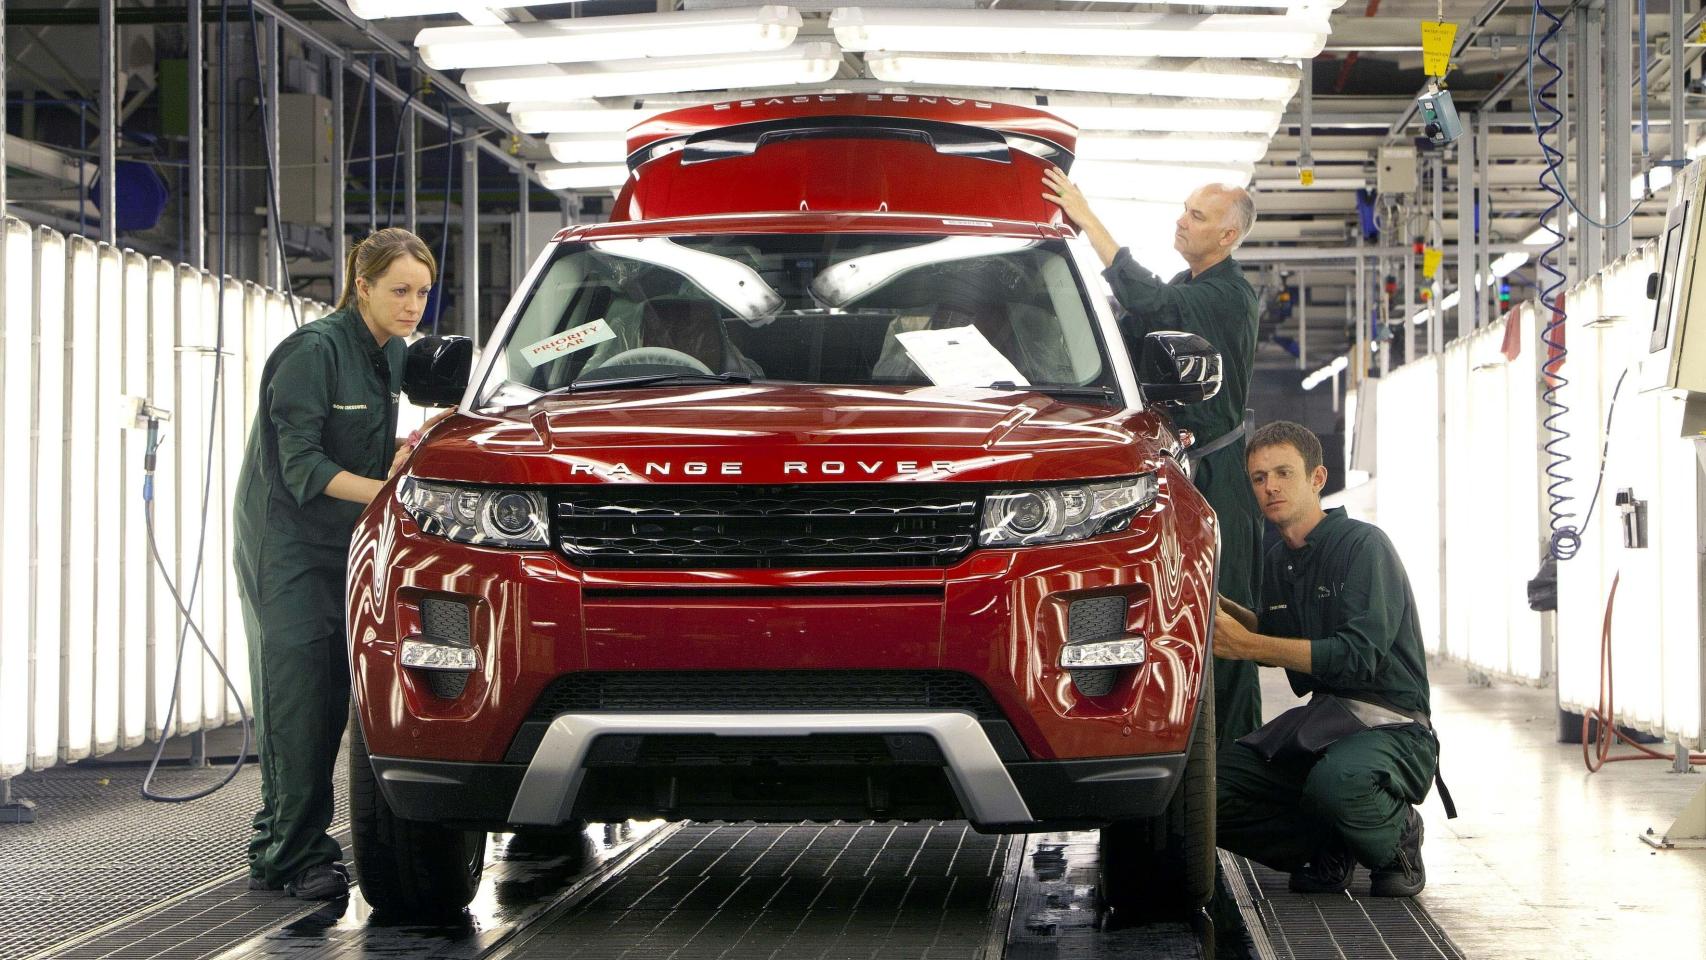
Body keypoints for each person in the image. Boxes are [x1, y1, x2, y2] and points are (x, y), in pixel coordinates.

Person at [232, 228, 437, 900]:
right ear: (362, 285)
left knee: (334, 695)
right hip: (285, 545)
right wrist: (390, 490)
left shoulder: (392, 352)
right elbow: (303, 466)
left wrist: (405, 452)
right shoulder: (311, 352)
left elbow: (363, 440)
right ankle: (297, 857)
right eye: (400, 290)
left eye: (423, 293)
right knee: (300, 696)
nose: (413, 306)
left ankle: (277, 844)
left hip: (345, 541)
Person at [1043, 169, 1265, 744]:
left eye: (1197, 216)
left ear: (1227, 237)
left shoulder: (1226, 296)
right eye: (1185, 208)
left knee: (1224, 625)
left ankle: (1237, 763)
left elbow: (1151, 301)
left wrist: (1087, 218)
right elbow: (1137, 319)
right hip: (1180, 465)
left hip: (1218, 475)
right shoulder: (1190, 284)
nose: (1181, 221)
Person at [1212, 421, 1449, 898]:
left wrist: (1248, 645)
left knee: (1338, 784)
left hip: (1393, 726)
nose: (1270, 487)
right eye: (1259, 478)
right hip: (1328, 723)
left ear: (1317, 478)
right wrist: (1213, 604)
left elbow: (1357, 656)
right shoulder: (1279, 559)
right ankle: (1324, 846)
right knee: (1208, 790)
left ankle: (1399, 838)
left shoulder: (1364, 546)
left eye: (1283, 473)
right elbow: (1279, 637)